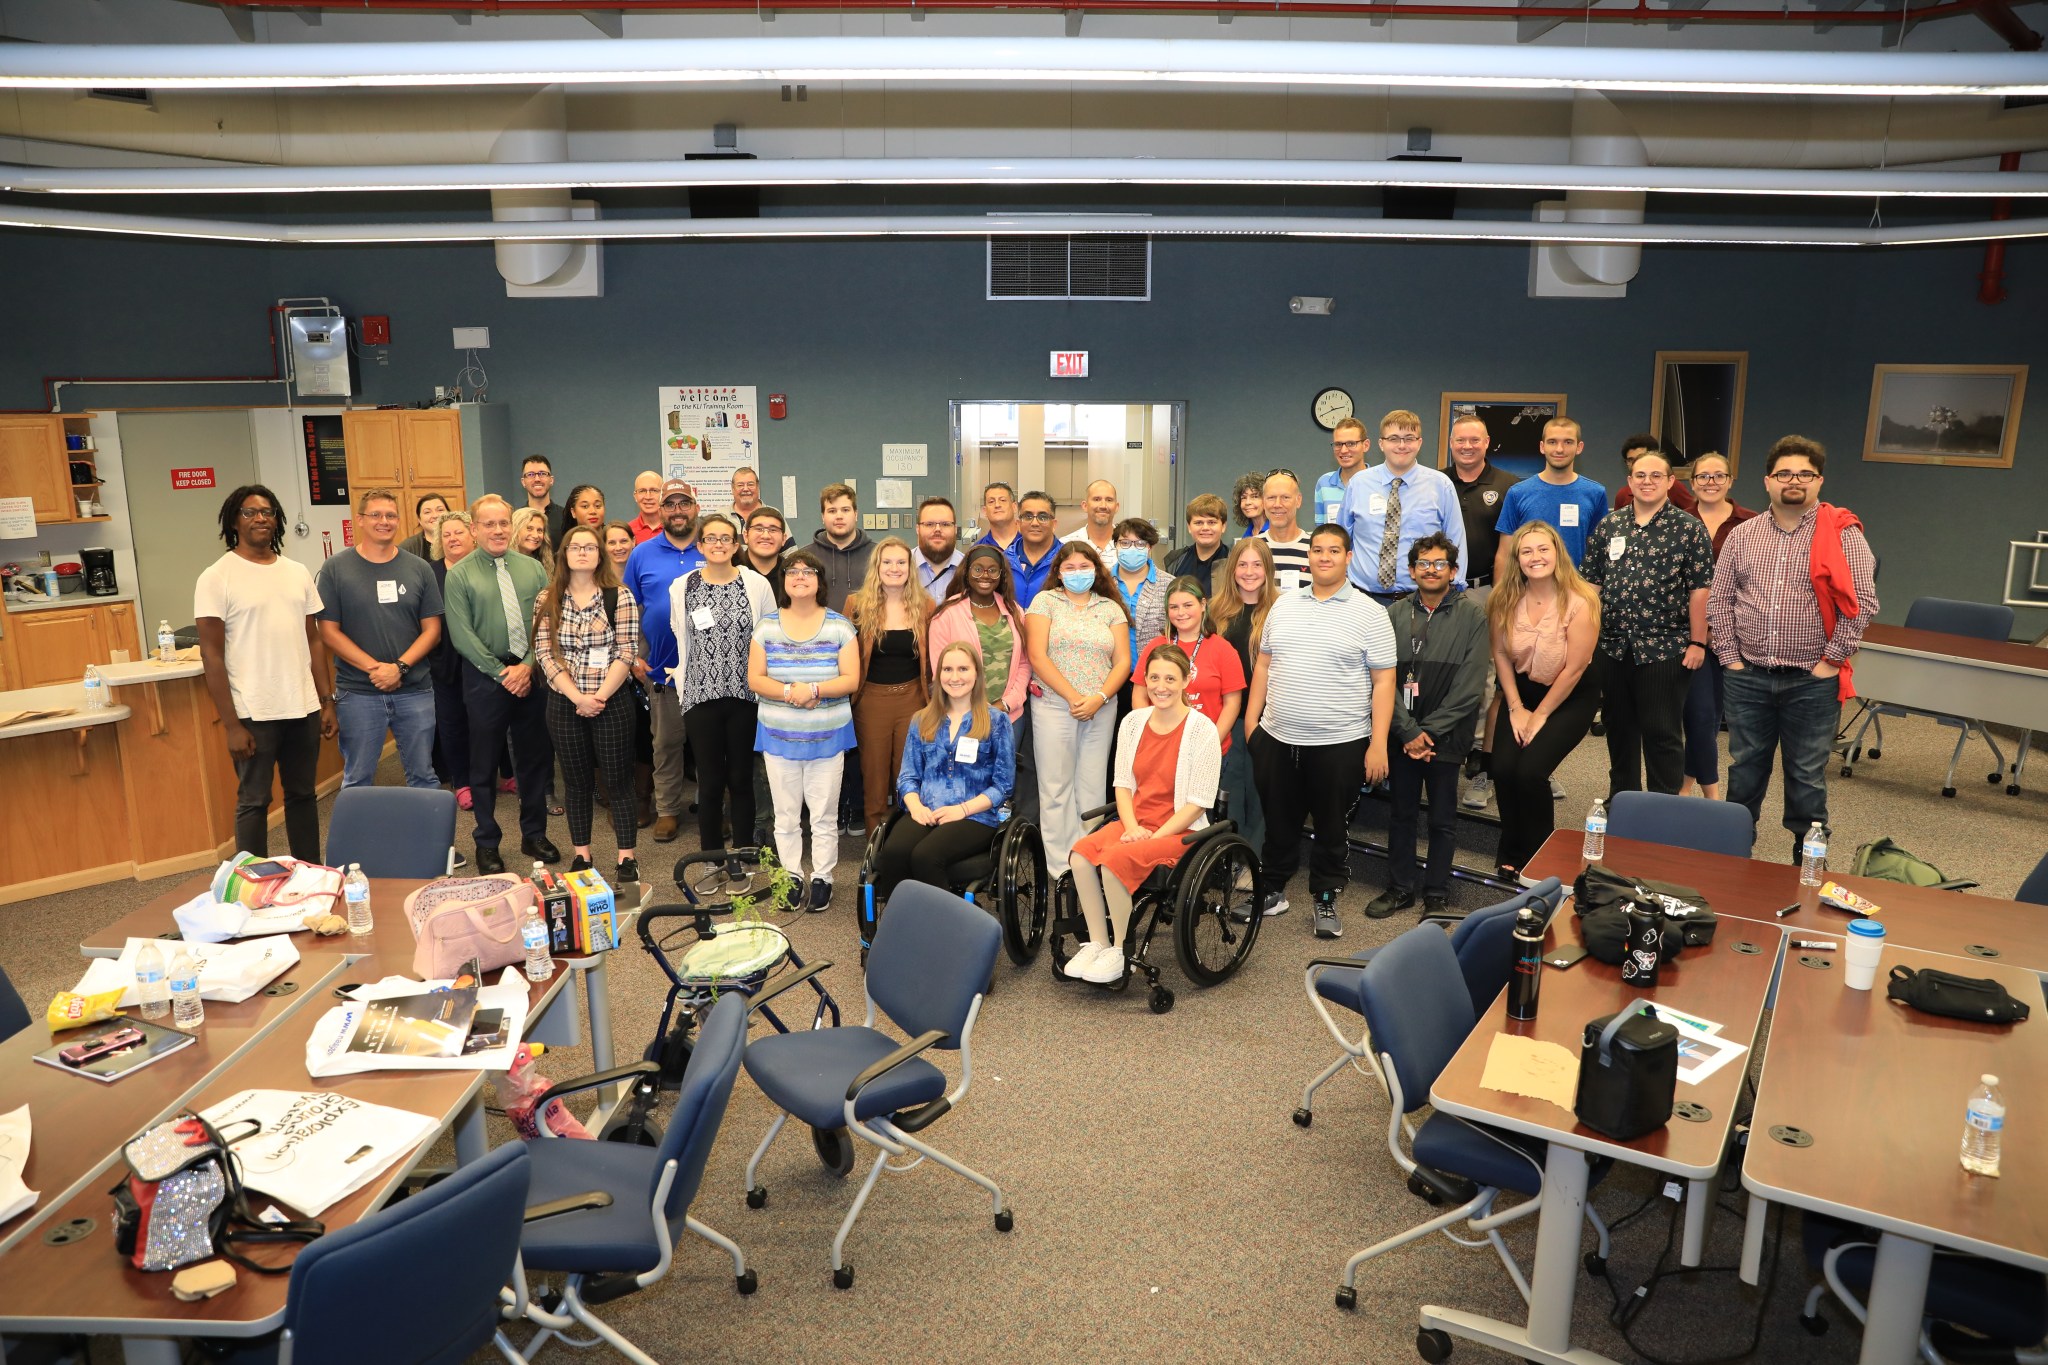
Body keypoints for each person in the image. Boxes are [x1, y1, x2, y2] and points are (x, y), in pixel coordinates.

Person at [1707, 435, 1877, 858]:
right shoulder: (1743, 535)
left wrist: (1831, 660)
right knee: (1744, 771)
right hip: (1749, 677)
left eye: (1805, 473)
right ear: (1767, 481)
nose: (1794, 481)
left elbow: (1863, 602)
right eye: (1784, 473)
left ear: (1819, 481)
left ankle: (1807, 861)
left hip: (1811, 681)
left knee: (1806, 776)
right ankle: (1731, 853)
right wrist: (1730, 659)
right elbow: (1720, 599)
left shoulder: (1842, 534)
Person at [1246, 523, 1395, 940]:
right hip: (1277, 739)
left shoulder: (1371, 613)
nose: (1324, 557)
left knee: (1332, 828)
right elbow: (1264, 665)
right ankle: (1270, 890)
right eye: (1317, 550)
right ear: (1307, 557)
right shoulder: (1284, 604)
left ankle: (1325, 898)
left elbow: (1384, 682)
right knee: (1278, 823)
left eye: (1333, 551)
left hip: (1340, 743)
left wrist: (1378, 744)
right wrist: (1251, 724)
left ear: (1349, 557)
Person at [1064, 644, 1222, 984]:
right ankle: (1098, 942)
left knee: (1114, 861)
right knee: (1080, 855)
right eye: (1153, 677)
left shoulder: (1202, 729)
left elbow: (1198, 802)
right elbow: (1121, 784)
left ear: (1185, 681)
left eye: (1169, 678)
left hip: (1180, 830)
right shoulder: (1133, 722)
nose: (1160, 686)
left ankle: (1122, 951)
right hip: (1134, 823)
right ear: (1145, 680)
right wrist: (1133, 826)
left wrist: (1154, 835)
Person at [195, 483, 335, 863]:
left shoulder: (297, 571)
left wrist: (325, 702)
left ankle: (309, 873)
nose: (260, 518)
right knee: (254, 801)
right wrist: (231, 724)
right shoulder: (217, 576)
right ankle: (250, 883)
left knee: (303, 795)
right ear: (233, 522)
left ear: (277, 520)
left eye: (267, 512)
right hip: (253, 712)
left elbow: (315, 640)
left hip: (302, 706)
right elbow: (211, 654)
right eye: (250, 512)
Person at [1581, 447, 1715, 799]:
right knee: (1618, 729)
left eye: (1656, 475)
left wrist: (1698, 643)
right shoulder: (1610, 524)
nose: (1647, 481)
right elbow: (1591, 584)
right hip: (1612, 646)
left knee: (1662, 733)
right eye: (1640, 475)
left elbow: (1700, 590)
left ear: (1671, 482)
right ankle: (1622, 800)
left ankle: (1662, 809)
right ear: (1629, 481)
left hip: (1665, 648)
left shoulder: (1689, 528)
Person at [1370, 533, 1489, 920]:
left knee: (1442, 819)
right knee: (1401, 813)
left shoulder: (1472, 615)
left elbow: (1470, 688)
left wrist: (1429, 733)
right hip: (1403, 734)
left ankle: (1436, 894)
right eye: (1424, 563)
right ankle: (1400, 887)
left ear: (1454, 571)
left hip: (1447, 738)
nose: (1431, 570)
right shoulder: (1395, 613)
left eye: (1440, 564)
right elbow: (1383, 678)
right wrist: (1407, 731)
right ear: (1411, 570)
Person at [443, 494, 558, 873]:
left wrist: (527, 666)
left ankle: (534, 834)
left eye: (503, 523)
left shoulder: (532, 569)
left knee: (534, 761)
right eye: (488, 524)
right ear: (474, 529)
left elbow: (544, 622)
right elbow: (462, 636)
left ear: (512, 526)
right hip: (485, 678)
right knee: (484, 763)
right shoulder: (460, 574)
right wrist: (502, 673)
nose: (497, 530)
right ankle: (487, 841)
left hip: (531, 676)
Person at [1487, 522, 1602, 876]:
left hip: (1571, 695)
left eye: (1543, 549)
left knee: (1531, 772)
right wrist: (1517, 708)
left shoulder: (1581, 600)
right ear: (1517, 559)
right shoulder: (1503, 598)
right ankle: (1512, 846)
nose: (1536, 557)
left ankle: (1540, 855)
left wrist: (1540, 716)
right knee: (1503, 768)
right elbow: (1501, 656)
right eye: (1526, 551)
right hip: (1522, 691)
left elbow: (1576, 666)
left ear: (1557, 553)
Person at [749, 548, 861, 911]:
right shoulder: (766, 625)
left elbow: (851, 679)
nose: (800, 576)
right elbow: (755, 679)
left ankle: (823, 876)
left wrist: (813, 690)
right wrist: (790, 693)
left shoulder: (839, 626)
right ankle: (791, 874)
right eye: (792, 571)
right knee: (785, 814)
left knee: (824, 814)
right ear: (783, 581)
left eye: (808, 571)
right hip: (779, 737)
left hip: (827, 737)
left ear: (819, 581)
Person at [315, 487, 444, 791]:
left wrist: (398, 668)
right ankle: (359, 840)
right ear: (360, 520)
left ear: (399, 520)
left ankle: (426, 839)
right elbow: (328, 631)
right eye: (375, 515)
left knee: (424, 777)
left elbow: (433, 630)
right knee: (358, 780)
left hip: (414, 690)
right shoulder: (336, 568)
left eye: (390, 515)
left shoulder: (419, 568)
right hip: (359, 693)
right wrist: (377, 669)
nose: (383, 521)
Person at [532, 526, 641, 882]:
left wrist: (599, 697)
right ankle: (582, 855)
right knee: (576, 783)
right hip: (565, 704)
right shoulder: (546, 598)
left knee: (618, 781)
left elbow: (626, 652)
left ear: (600, 554)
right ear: (563, 554)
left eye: (590, 547)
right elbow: (545, 654)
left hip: (612, 701)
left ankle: (626, 858)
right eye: (575, 547)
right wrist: (578, 697)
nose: (582, 552)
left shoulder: (618, 596)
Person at [871, 642, 1017, 904]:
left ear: (977, 674)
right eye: (948, 669)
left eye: (963, 668)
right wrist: (914, 807)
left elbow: (1003, 785)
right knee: (893, 852)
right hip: (926, 809)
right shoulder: (922, 719)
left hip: (975, 815)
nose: (955, 676)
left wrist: (962, 810)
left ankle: (944, 933)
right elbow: (907, 776)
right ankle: (904, 927)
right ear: (938, 675)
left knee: (927, 855)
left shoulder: (996, 721)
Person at [669, 512, 776, 861]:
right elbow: (680, 634)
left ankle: (744, 855)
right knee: (710, 783)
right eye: (711, 538)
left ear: (736, 544)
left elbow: (768, 637)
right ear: (700, 545)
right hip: (701, 696)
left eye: (725, 538)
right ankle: (712, 859)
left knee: (742, 780)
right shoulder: (682, 586)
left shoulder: (756, 584)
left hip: (746, 696)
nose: (718, 544)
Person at [1024, 542, 1133, 871]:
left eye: (1084, 566)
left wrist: (1098, 698)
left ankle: (1089, 860)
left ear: (1096, 570)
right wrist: (1074, 697)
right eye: (1069, 567)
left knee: (1092, 786)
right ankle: (1059, 867)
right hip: (1056, 705)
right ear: (1058, 572)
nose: (1077, 573)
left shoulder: (1111, 608)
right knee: (1056, 787)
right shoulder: (1045, 603)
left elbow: (1123, 661)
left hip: (1101, 708)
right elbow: (1037, 656)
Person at [622, 478, 705, 843]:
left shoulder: (713, 547)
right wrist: (635, 658)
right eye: (670, 504)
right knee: (666, 745)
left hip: (710, 671)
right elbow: (630, 608)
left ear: (695, 506)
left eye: (683, 503)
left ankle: (711, 807)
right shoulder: (642, 552)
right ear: (661, 509)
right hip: (662, 670)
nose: (677, 510)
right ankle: (668, 810)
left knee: (708, 747)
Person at [929, 543, 1036, 825]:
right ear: (966, 573)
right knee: (966, 780)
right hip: (961, 716)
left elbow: (1025, 663)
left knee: (1001, 784)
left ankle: (996, 842)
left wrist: (1005, 704)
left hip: (1008, 715)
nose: (985, 575)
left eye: (992, 570)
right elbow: (941, 672)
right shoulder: (947, 614)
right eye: (978, 569)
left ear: (1002, 574)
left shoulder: (1015, 612)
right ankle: (963, 837)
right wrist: (972, 710)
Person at [1447, 414, 1521, 813]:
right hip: (1440, 592)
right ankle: (1445, 749)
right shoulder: (1437, 481)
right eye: (1461, 440)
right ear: (1451, 443)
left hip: (1486, 590)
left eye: (1475, 440)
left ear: (1487, 441)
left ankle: (1479, 757)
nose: (1467, 446)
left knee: (1485, 676)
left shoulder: (1509, 486)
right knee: (1439, 671)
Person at [1679, 452, 1756, 800]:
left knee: (1709, 718)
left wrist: (1720, 628)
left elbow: (1758, 583)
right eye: (1703, 477)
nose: (1711, 483)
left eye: (1718, 476)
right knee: (1699, 714)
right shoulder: (1676, 522)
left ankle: (1685, 787)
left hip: (1734, 636)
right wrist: (1699, 630)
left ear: (1730, 480)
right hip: (1686, 635)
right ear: (1691, 483)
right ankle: (1711, 796)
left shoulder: (1751, 524)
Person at [845, 537, 934, 834]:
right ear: (877, 566)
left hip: (914, 701)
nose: (894, 568)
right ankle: (875, 848)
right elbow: (842, 653)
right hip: (870, 702)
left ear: (910, 568)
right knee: (874, 779)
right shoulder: (856, 605)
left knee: (908, 778)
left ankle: (905, 840)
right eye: (887, 562)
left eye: (901, 562)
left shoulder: (926, 606)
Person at [1342, 409, 1467, 609]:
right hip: (1362, 599)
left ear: (1419, 443)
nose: (1401, 445)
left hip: (1422, 599)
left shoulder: (1440, 485)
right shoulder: (1358, 484)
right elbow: (1342, 539)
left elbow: (1455, 540)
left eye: (1409, 438)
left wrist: (1454, 588)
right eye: (1394, 438)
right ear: (1381, 444)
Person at [1208, 535, 1278, 862]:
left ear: (1268, 569)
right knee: (1230, 787)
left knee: (1263, 790)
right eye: (1242, 564)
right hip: (1226, 715)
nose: (1249, 571)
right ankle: (1229, 857)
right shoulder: (1215, 611)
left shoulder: (1281, 610)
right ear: (1232, 568)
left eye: (1257, 565)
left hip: (1268, 718)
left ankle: (1255, 859)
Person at [1138, 576, 1246, 761]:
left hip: (1208, 749)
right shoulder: (1155, 647)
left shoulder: (1223, 649)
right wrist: (1151, 732)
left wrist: (1210, 743)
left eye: (1188, 605)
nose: (1181, 613)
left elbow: (1232, 704)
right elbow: (1139, 696)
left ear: (1203, 604)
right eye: (1174, 607)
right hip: (1160, 746)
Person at [1492, 417, 1610, 579]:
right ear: (1542, 447)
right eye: (1552, 442)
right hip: (1528, 593)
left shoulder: (1595, 493)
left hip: (1577, 592)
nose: (1560, 449)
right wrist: (1501, 602)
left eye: (1568, 442)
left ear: (1579, 447)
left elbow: (1598, 553)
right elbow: (1505, 554)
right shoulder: (1517, 493)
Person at [427, 510, 477, 809]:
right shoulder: (429, 573)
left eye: (458, 532)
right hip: (444, 662)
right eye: (446, 534)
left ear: (472, 535)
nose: (452, 538)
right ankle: (462, 781)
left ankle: (494, 775)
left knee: (485, 721)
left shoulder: (482, 568)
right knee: (452, 722)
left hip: (482, 660)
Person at [811, 482, 876, 625]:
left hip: (867, 638)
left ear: (856, 514)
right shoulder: (806, 558)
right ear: (823, 516)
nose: (839, 516)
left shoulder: (878, 555)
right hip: (820, 640)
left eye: (845, 510)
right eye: (832, 511)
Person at [1613, 433, 1698, 513]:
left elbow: (1694, 514)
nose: (1636, 463)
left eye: (1641, 457)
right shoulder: (1623, 494)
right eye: (1630, 460)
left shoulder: (1672, 486)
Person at [1165, 493, 1231, 594]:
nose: (1205, 528)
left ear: (1223, 526)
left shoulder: (1235, 561)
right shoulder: (1174, 561)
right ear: (1189, 527)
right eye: (1198, 523)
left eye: (1212, 522)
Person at [1258, 470, 1313, 591]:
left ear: (1298, 500)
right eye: (1271, 497)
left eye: (1285, 497)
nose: (1277, 504)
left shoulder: (1315, 548)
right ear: (1263, 501)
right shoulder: (1252, 548)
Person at [1007, 489, 1062, 605]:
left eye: (1043, 517)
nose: (1035, 523)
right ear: (1018, 524)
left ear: (1054, 524)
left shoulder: (1067, 560)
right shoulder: (1004, 559)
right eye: (1028, 516)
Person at [1313, 416, 1370, 528]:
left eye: (1351, 443)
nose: (1343, 450)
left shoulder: (1379, 483)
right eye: (1338, 444)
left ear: (1365, 445)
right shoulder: (1324, 483)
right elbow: (1321, 529)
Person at [914, 495, 964, 601]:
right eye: (929, 524)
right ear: (917, 529)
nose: (937, 530)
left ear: (955, 529)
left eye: (945, 524)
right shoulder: (899, 568)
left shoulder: (969, 567)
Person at [1061, 479, 1120, 563]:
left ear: (1116, 507)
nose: (1103, 505)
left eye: (1109, 500)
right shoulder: (1065, 544)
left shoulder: (1129, 545)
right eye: (1097, 499)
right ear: (1085, 506)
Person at [517, 454, 569, 548]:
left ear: (551, 480)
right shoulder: (515, 520)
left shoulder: (566, 517)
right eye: (530, 474)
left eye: (542, 474)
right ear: (523, 482)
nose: (537, 479)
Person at [397, 493, 449, 562]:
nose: (435, 515)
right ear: (419, 519)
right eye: (427, 512)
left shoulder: (460, 541)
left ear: (449, 514)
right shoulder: (408, 547)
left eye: (440, 510)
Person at [976, 481, 1021, 554]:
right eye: (991, 501)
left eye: (1003, 500)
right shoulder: (977, 551)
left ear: (1014, 507)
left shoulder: (1030, 544)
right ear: (985, 511)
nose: (997, 505)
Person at [511, 506, 555, 578]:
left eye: (539, 530)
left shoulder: (544, 563)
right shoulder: (502, 561)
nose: (535, 535)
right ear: (515, 530)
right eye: (529, 529)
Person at [628, 470, 666, 544]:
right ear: (635, 496)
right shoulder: (627, 531)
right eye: (642, 491)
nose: (648, 497)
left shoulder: (674, 529)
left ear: (663, 494)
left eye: (654, 490)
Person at [1231, 472, 1269, 541]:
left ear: (1267, 499)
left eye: (1255, 496)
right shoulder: (1246, 536)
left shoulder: (1276, 533)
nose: (1247, 502)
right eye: (1244, 497)